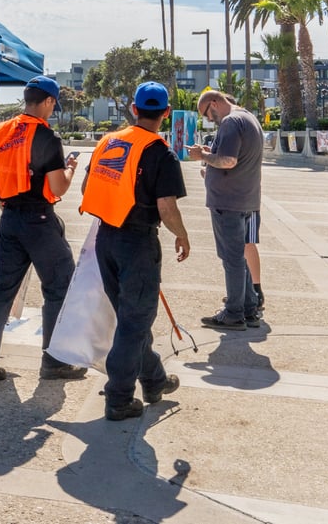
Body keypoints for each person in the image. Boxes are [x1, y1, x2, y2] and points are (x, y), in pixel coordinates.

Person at [80, 81, 189, 420]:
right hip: (138, 244)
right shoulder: (160, 151)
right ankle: (119, 398)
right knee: (133, 323)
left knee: (132, 320)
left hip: (106, 239)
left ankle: (154, 379)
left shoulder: (108, 142)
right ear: (166, 113)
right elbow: (166, 206)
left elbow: (87, 186)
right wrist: (182, 235)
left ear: (134, 110)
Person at [0, 75, 86, 382]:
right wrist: (71, 169)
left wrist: (2, 203)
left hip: (10, 219)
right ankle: (54, 361)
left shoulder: (3, 130)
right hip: (40, 221)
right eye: (53, 105)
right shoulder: (47, 137)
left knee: (2, 291)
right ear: (47, 101)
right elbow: (57, 185)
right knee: (59, 287)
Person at [187, 90, 264, 331]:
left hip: (228, 202)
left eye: (208, 114)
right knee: (238, 257)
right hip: (244, 198)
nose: (210, 119)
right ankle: (249, 308)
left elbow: (228, 161)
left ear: (214, 102)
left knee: (231, 259)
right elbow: (233, 161)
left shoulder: (231, 122)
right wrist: (209, 162)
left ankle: (233, 313)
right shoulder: (249, 118)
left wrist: (202, 156)